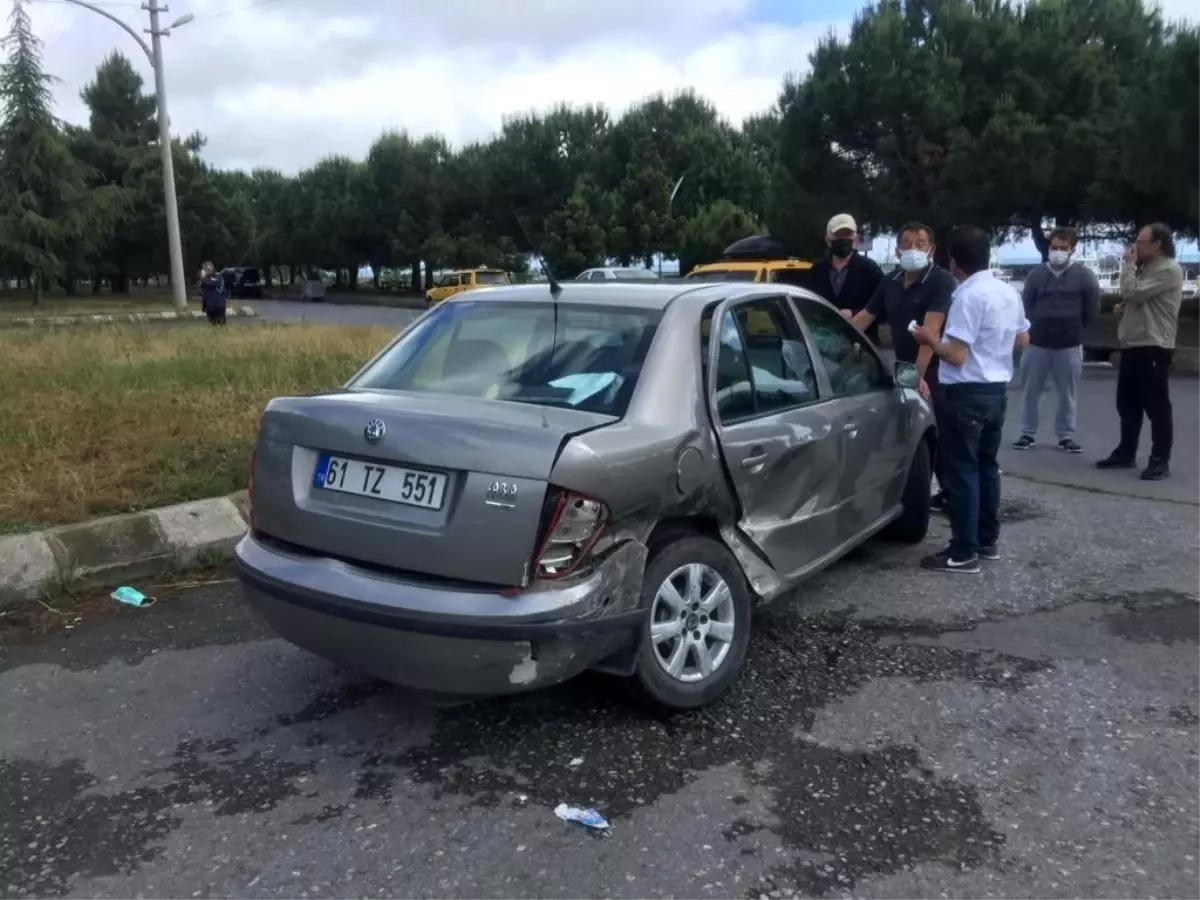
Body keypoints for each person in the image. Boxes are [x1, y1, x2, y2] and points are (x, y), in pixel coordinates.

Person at [912, 225, 1029, 574]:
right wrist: (993, 352)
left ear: (954, 262)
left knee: (962, 471)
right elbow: (1023, 338)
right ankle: (986, 539)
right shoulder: (1008, 292)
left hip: (966, 391)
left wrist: (929, 339)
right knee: (986, 467)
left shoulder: (966, 296)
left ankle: (962, 551)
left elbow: (957, 355)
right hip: (996, 388)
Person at [844, 221, 957, 507]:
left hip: (934, 369)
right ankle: (908, 489)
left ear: (931, 249)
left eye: (920, 244)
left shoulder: (940, 281)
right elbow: (865, 317)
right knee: (908, 432)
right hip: (904, 369)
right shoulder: (891, 280)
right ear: (897, 250)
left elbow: (931, 333)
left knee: (940, 434)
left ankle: (952, 493)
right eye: (907, 244)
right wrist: (838, 339)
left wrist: (916, 377)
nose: (913, 249)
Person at [1096, 222, 1183, 481]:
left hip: (1154, 344)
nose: (1135, 247)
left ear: (1158, 245)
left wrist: (1128, 267)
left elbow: (1132, 292)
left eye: (1141, 242)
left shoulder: (1168, 269)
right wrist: (1126, 306)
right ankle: (1126, 452)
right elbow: (1136, 299)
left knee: (1157, 406)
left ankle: (1160, 460)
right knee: (1127, 402)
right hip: (1133, 343)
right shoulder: (1146, 268)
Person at [1013, 226, 1100, 454]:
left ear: (1072, 250)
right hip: (1037, 343)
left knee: (1067, 394)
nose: (1058, 252)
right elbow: (1025, 306)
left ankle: (1066, 436)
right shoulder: (1036, 275)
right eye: (1054, 247)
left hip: (1069, 344)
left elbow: (1092, 308)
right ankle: (1027, 434)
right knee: (1031, 391)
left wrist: (1073, 326)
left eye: (1063, 248)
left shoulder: (1085, 276)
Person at [805, 213, 884, 343]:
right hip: (824, 344)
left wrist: (854, 313)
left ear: (855, 238)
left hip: (863, 347)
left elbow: (884, 308)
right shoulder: (817, 271)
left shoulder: (870, 270)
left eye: (847, 235)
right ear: (828, 239)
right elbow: (808, 308)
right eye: (838, 235)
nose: (843, 239)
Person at [200, 262, 228, 326]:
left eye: (208, 269)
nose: (207, 270)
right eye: (205, 269)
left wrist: (202, 278)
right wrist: (204, 306)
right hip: (209, 306)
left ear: (212, 268)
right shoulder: (205, 278)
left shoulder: (217, 276)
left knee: (221, 324)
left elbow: (212, 284)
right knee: (213, 324)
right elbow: (201, 290)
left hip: (219, 304)